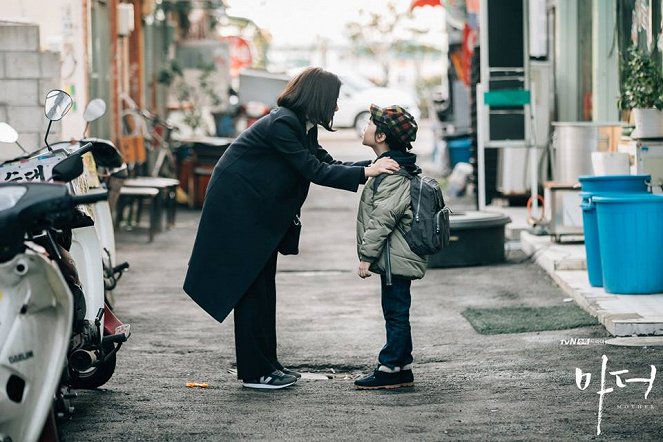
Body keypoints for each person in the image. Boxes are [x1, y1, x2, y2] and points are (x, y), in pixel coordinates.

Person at [183, 68, 400, 390]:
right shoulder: (283, 123)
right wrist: (368, 171)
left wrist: (371, 170)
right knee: (252, 290)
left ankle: (267, 364)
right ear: (318, 99)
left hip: (255, 212)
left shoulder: (299, 125)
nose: (337, 108)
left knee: (263, 288)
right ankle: (256, 374)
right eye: (334, 101)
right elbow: (312, 169)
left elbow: (327, 162)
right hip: (239, 212)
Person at [354, 104, 427, 390]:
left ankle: (391, 366)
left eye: (370, 123)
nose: (365, 126)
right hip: (395, 256)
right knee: (397, 309)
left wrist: (365, 256)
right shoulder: (393, 168)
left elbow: (383, 218)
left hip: (392, 256)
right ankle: (402, 365)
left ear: (382, 136)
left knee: (395, 311)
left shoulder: (393, 174)